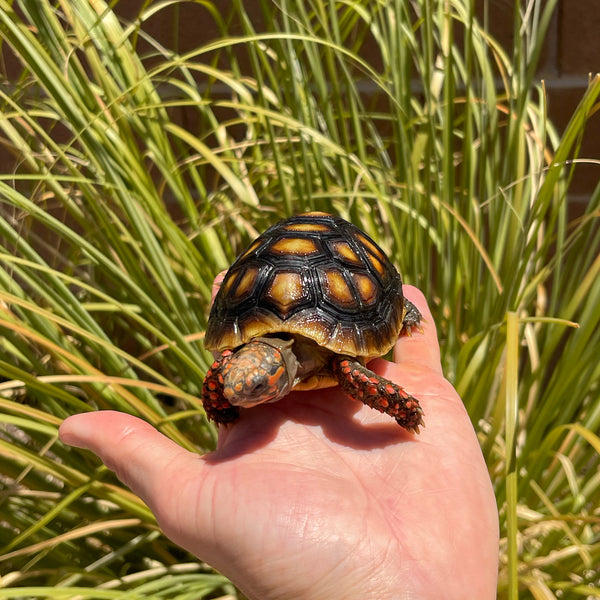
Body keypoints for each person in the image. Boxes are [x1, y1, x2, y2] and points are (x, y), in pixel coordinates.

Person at [59, 284, 499, 599]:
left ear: (280, 375)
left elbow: (354, 371)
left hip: (340, 300)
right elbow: (226, 378)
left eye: (251, 390)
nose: (235, 393)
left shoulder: (339, 364)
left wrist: (405, 409)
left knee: (350, 372)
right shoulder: (239, 370)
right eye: (236, 388)